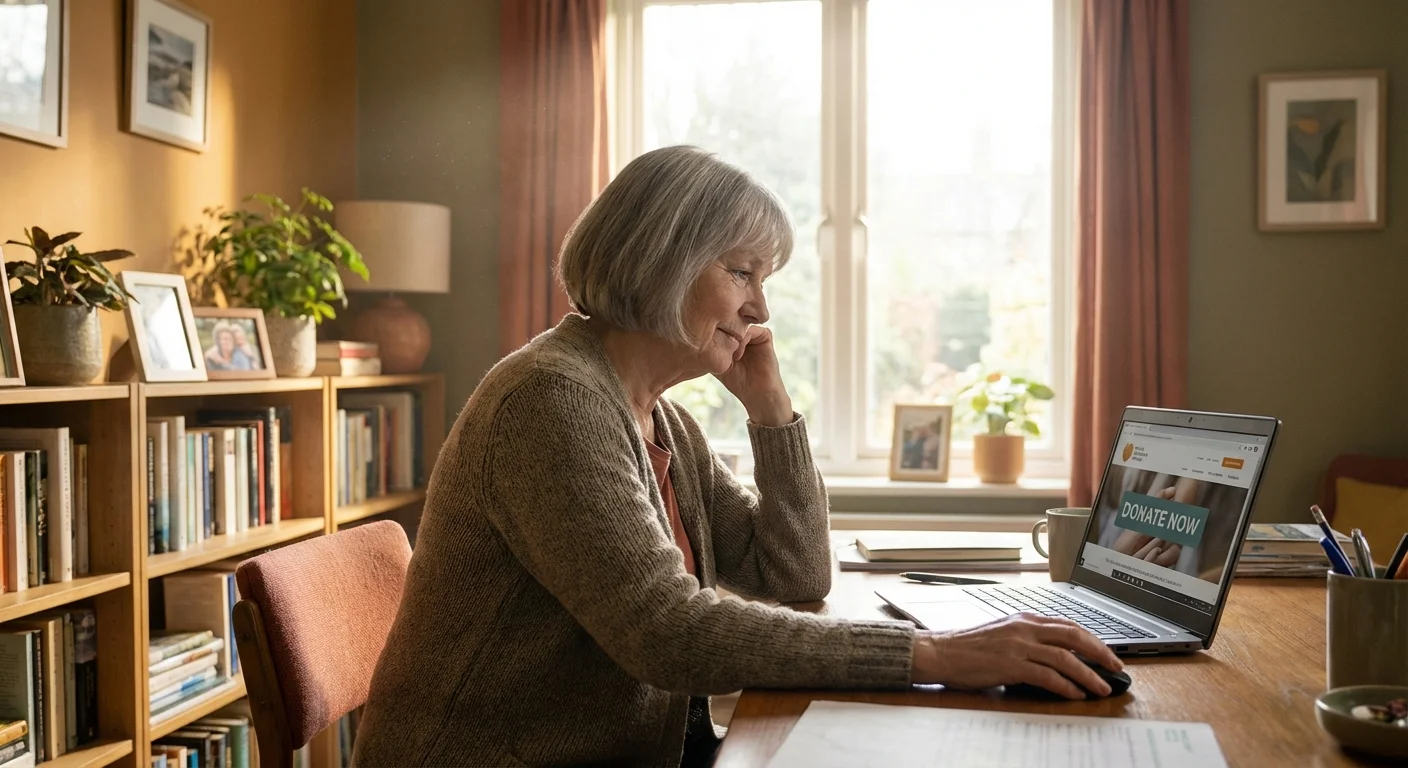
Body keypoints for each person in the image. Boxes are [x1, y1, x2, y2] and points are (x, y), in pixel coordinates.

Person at [353, 145, 1121, 767]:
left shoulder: (661, 418)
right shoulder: (551, 402)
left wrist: (772, 412)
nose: (760, 308)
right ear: (660, 259)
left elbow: (796, 573)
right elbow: (667, 633)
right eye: (742, 272)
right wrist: (936, 654)